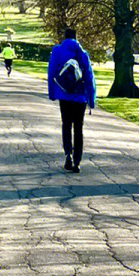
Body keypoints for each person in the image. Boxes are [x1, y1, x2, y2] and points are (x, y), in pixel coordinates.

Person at [47, 27, 96, 172]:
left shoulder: (57, 51)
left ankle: (68, 154)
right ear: (76, 37)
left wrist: (52, 93)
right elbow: (89, 76)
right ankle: (77, 161)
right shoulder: (82, 53)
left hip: (64, 95)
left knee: (66, 124)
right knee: (78, 128)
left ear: (64, 37)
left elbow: (51, 72)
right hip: (80, 96)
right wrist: (91, 98)